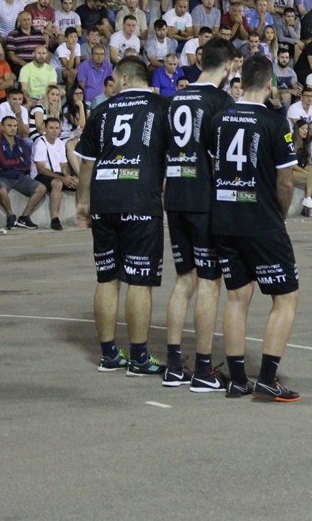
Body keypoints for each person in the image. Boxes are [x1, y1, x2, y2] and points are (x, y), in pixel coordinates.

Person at [211, 56, 302, 402]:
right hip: (261, 220)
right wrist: (280, 214)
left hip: (224, 218)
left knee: (237, 296)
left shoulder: (219, 120)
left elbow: (215, 165)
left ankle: (237, 380)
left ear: (242, 80)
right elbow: (285, 181)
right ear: (269, 83)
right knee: (286, 297)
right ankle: (266, 378)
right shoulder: (275, 122)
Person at [75, 57, 170, 376]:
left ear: (127, 78)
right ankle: (139, 357)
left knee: (107, 277)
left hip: (104, 199)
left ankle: (108, 355)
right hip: (139, 199)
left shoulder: (101, 111)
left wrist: (83, 202)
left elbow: (86, 162)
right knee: (139, 280)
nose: (112, 83)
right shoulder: (161, 107)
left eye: (115, 78)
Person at [161, 38, 236, 391]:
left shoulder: (177, 97)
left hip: (175, 193)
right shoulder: (220, 101)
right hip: (204, 197)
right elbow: (221, 157)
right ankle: (204, 369)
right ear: (229, 66)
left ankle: (174, 365)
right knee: (209, 281)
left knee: (184, 280)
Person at [0, 114, 47, 228]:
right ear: (2, 127)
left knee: (41, 188)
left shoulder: (21, 142)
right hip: (0, 176)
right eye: (9, 125)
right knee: (1, 191)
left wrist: (11, 164)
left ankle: (24, 217)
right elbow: (4, 164)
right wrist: (18, 161)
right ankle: (11, 216)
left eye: (15, 126)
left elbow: (26, 164)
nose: (13, 128)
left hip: (18, 176)